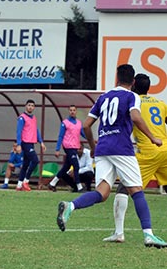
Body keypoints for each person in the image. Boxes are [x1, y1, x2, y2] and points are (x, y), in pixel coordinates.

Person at [56, 64, 167, 248]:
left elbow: (86, 125)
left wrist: (92, 146)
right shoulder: (131, 96)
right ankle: (149, 235)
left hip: (103, 148)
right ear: (132, 82)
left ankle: (71, 206)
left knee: (102, 192)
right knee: (137, 190)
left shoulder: (103, 97)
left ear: (117, 78)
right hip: (122, 148)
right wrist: (153, 137)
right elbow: (136, 117)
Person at [104, 73, 167, 244]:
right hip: (165, 148)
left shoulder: (132, 102)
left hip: (148, 152)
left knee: (125, 188)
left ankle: (119, 233)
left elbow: (129, 123)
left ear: (133, 86)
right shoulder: (160, 103)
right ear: (149, 87)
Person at [48, 105, 87, 192]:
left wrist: (90, 139)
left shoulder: (79, 122)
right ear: (68, 111)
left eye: (74, 110)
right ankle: (79, 187)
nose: (72, 112)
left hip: (75, 146)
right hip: (68, 146)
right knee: (76, 166)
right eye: (71, 110)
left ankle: (52, 183)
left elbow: (83, 133)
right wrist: (57, 149)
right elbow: (61, 136)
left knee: (66, 167)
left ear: (76, 111)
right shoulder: (65, 123)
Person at [15, 99, 46, 191]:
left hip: (31, 142)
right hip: (25, 143)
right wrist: (19, 144)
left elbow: (36, 130)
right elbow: (19, 131)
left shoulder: (33, 118)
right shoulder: (22, 117)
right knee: (35, 160)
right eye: (29, 105)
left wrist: (41, 142)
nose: (30, 107)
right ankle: (26, 181)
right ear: (25, 106)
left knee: (26, 164)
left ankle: (19, 185)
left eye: (32, 105)